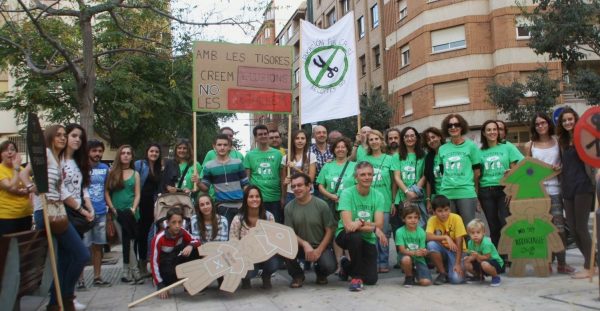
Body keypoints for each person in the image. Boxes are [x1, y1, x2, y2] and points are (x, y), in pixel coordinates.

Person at [33, 125, 90, 311]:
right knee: (81, 254)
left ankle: (56, 303)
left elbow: (61, 189)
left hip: (58, 211)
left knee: (66, 258)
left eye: (64, 135)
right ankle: (65, 298)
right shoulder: (48, 154)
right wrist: (31, 187)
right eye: (59, 135)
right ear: (50, 137)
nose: (63, 138)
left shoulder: (56, 158)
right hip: (50, 212)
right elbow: (27, 175)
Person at [524, 112, 575, 274]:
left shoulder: (558, 142)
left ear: (548, 124)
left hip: (555, 191)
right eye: (537, 124)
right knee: (541, 229)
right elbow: (527, 170)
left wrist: (559, 169)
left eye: (543, 123)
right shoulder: (529, 145)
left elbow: (565, 164)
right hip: (537, 193)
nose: (540, 126)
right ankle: (545, 262)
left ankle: (562, 262)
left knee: (559, 228)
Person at [335, 161, 387, 292]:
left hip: (367, 237)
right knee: (355, 237)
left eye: (370, 174)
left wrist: (359, 222)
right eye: (362, 174)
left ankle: (345, 265)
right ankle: (356, 278)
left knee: (371, 279)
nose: (367, 177)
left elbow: (380, 223)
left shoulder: (378, 196)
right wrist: (373, 227)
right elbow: (348, 226)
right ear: (355, 177)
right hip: (345, 235)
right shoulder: (347, 194)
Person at [557, 107, 595, 279]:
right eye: (564, 120)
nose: (567, 122)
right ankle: (592, 261)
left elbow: (594, 158)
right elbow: (565, 164)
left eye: (570, 119)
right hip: (567, 187)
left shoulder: (585, 137)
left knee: (581, 227)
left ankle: (590, 265)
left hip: (583, 186)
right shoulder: (562, 141)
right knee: (572, 228)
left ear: (576, 119)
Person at [285, 173, 336, 288]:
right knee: (284, 248)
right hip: (299, 246)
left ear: (309, 186)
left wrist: (319, 250)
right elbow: (289, 232)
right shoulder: (289, 207)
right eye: (293, 186)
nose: (296, 189)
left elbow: (330, 230)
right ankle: (297, 275)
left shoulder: (321, 205)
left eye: (300, 185)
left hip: (320, 246)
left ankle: (321, 273)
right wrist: (304, 243)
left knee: (330, 266)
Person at [478, 120, 523, 247]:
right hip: (486, 191)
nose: (492, 132)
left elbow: (520, 165)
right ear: (484, 133)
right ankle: (499, 256)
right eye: (489, 130)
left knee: (506, 222)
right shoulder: (479, 151)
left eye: (494, 129)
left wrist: (511, 186)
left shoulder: (507, 147)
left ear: (498, 132)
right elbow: (476, 173)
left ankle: (510, 254)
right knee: (493, 225)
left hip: (504, 190)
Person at [357, 129, 396, 273]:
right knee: (370, 232)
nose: (374, 142)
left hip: (384, 201)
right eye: (371, 140)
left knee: (383, 232)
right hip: (367, 201)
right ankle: (372, 260)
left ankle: (383, 261)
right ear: (368, 143)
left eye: (376, 139)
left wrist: (393, 200)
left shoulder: (389, 159)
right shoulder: (364, 160)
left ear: (381, 141)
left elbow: (394, 182)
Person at [317, 137, 356, 273]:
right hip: (331, 204)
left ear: (347, 149)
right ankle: (339, 264)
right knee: (335, 233)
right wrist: (331, 196)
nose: (340, 149)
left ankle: (350, 264)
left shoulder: (354, 166)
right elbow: (320, 185)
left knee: (349, 232)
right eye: (337, 147)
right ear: (333, 150)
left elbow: (358, 184)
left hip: (348, 205)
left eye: (343, 147)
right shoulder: (327, 166)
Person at [106, 145, 143, 284]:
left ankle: (126, 272)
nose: (126, 155)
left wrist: (133, 209)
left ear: (132, 156)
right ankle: (135, 272)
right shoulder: (112, 173)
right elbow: (107, 193)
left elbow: (138, 194)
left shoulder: (135, 174)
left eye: (129, 153)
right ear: (119, 156)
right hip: (118, 213)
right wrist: (113, 209)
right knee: (126, 242)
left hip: (132, 213)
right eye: (123, 153)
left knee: (131, 242)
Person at [230, 186, 279, 289]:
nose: (254, 199)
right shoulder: (238, 219)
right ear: (245, 200)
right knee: (249, 273)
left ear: (261, 199)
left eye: (257, 196)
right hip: (246, 256)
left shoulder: (269, 216)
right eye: (251, 196)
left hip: (265, 254)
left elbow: (273, 240)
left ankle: (266, 276)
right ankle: (245, 279)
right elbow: (233, 242)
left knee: (275, 263)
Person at [438, 114, 481, 227]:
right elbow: (443, 172)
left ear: (462, 127)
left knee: (468, 229)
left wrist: (476, 192)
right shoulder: (442, 149)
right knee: (451, 230)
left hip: (466, 192)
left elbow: (477, 173)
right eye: (450, 125)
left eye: (456, 124)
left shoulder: (471, 146)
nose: (453, 127)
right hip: (447, 193)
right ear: (446, 128)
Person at [195, 134, 248, 224]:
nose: (222, 147)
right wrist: (198, 182)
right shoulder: (209, 166)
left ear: (230, 147)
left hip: (240, 205)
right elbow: (205, 188)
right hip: (222, 206)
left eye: (225, 145)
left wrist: (246, 203)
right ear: (214, 147)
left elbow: (245, 185)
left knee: (241, 234)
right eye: (219, 145)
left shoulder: (238, 163)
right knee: (226, 235)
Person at [150, 207, 201, 299]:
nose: (177, 225)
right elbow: (154, 263)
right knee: (166, 273)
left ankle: (189, 282)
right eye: (174, 222)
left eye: (180, 222)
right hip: (165, 268)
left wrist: (190, 245)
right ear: (168, 222)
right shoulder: (158, 238)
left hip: (177, 260)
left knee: (195, 251)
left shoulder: (183, 231)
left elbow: (196, 241)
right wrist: (160, 284)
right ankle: (163, 283)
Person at [83, 139, 111, 287]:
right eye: (94, 151)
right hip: (84, 214)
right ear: (88, 152)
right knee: (83, 246)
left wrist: (109, 209)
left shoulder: (105, 168)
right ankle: (80, 279)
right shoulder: (81, 167)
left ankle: (97, 276)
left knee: (98, 246)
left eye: (100, 151)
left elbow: (106, 189)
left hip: (100, 212)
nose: (97, 154)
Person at [244, 124, 284, 223]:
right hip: (257, 199)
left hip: (275, 198)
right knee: (258, 228)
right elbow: (247, 180)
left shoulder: (278, 154)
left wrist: (283, 197)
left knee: (275, 228)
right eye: (260, 134)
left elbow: (282, 177)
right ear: (256, 137)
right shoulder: (249, 155)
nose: (263, 136)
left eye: (265, 134)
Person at [134, 143, 162, 278]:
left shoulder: (158, 168)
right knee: (140, 234)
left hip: (152, 204)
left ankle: (147, 262)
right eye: (152, 151)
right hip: (140, 203)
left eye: (156, 152)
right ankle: (140, 264)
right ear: (147, 152)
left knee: (150, 234)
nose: (154, 154)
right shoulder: (140, 164)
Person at [426, 195, 467, 285]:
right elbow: (428, 236)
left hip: (456, 251)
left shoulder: (456, 218)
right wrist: (446, 237)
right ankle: (443, 273)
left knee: (456, 280)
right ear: (434, 212)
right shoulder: (432, 220)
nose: (444, 213)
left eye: (446, 210)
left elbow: (459, 243)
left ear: (450, 209)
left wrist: (457, 263)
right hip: (443, 250)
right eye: (440, 211)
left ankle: (453, 268)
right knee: (431, 245)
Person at [393, 127, 426, 231]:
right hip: (402, 199)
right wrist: (407, 192)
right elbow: (396, 177)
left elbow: (424, 175)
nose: (409, 138)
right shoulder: (397, 156)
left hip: (418, 197)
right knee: (403, 231)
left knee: (419, 229)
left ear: (416, 138)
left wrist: (414, 193)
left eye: (412, 136)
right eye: (406, 136)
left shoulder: (423, 155)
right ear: (402, 139)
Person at [0, 141, 33, 236]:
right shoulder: (1, 169)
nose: (10, 152)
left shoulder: (23, 170)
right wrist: (16, 169)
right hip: (7, 217)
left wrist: (22, 190)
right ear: (1, 155)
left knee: (24, 247)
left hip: (26, 215)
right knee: (9, 248)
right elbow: (11, 186)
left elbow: (30, 187)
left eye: (12, 149)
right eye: (6, 150)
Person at [395, 206, 431, 287]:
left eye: (416, 217)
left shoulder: (421, 232)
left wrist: (424, 252)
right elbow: (402, 250)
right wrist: (415, 252)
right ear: (403, 219)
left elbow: (422, 248)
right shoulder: (399, 231)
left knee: (426, 282)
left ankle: (415, 273)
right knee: (406, 259)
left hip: (418, 259)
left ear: (419, 219)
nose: (413, 220)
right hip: (405, 256)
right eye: (409, 217)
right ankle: (409, 277)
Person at [463, 218, 503, 287]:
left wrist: (477, 256)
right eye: (472, 233)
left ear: (483, 232)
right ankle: (478, 276)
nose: (475, 235)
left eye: (478, 232)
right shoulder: (470, 243)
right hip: (480, 261)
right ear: (469, 234)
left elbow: (487, 257)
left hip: (494, 262)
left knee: (484, 264)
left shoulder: (486, 243)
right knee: (465, 261)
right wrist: (469, 258)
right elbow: (472, 256)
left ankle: (495, 276)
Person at [282, 129, 317, 204]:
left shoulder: (311, 156)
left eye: (302, 138)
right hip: (291, 193)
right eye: (297, 138)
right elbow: (283, 181)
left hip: (307, 193)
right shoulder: (286, 158)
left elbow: (310, 179)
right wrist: (285, 182)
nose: (300, 141)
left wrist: (295, 168)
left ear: (306, 140)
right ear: (293, 141)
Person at [422, 127, 444, 212]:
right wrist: (428, 200)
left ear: (439, 137)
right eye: (428, 139)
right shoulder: (429, 157)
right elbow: (428, 180)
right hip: (436, 196)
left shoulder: (447, 152)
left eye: (433, 137)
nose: (431, 140)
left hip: (450, 193)